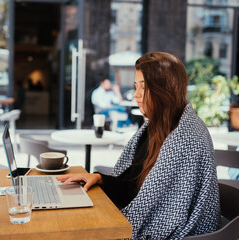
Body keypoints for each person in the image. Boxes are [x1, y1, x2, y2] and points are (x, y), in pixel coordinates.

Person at [58, 52, 220, 239]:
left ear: (166, 88)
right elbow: (134, 188)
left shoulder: (186, 138)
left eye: (144, 87)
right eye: (136, 86)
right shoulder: (155, 128)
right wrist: (99, 178)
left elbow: (167, 221)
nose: (136, 94)